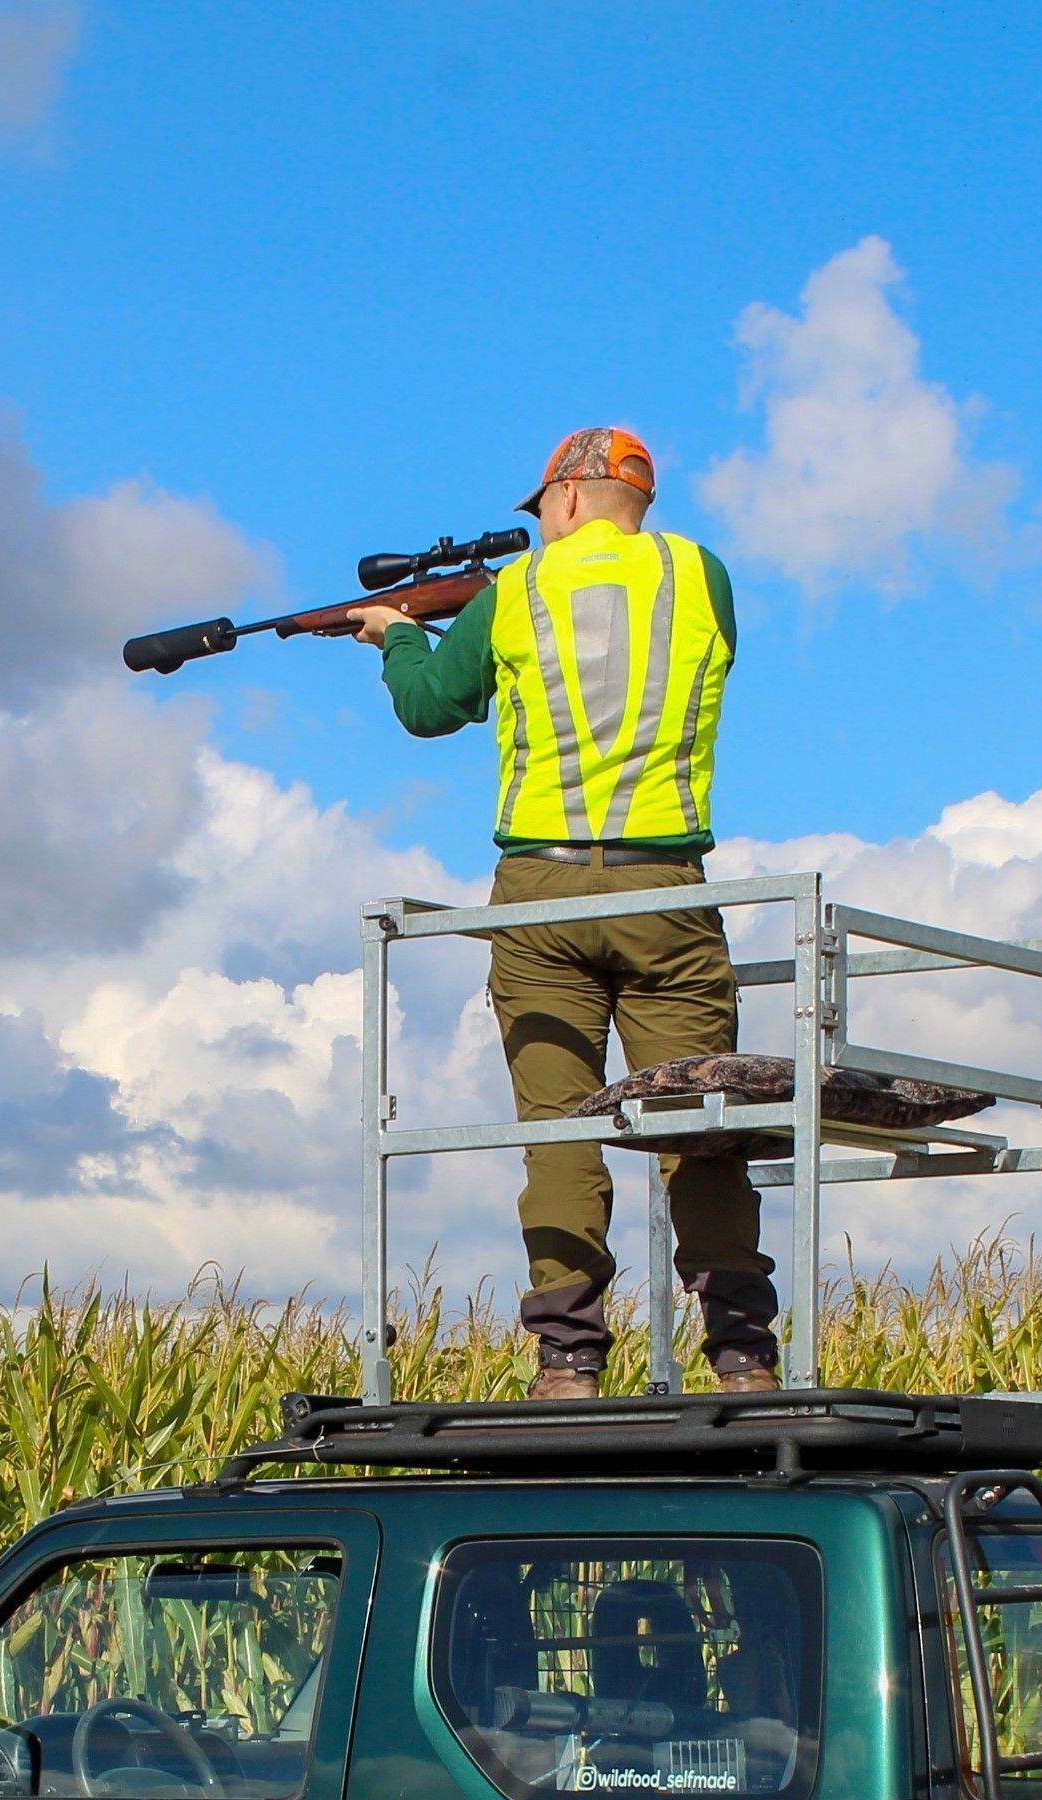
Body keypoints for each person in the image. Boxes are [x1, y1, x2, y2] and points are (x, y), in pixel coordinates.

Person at [351, 427, 778, 1402]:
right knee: (700, 1122)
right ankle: (742, 1354)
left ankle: (568, 1360)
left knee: (558, 1125)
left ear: (570, 497)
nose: (538, 525)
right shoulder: (697, 575)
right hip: (669, 891)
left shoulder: (517, 593)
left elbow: (426, 707)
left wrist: (399, 636)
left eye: (539, 508)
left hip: (537, 900)